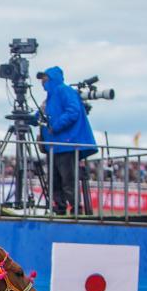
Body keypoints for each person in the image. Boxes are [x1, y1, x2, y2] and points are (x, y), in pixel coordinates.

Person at [35, 67, 98, 215]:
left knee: (68, 179)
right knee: (54, 179)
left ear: (52, 78)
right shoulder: (50, 98)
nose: (42, 82)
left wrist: (55, 126)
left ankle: (76, 207)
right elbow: (40, 116)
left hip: (66, 144)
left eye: (44, 78)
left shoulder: (64, 91)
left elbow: (73, 111)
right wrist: (30, 119)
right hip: (54, 145)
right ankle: (60, 206)